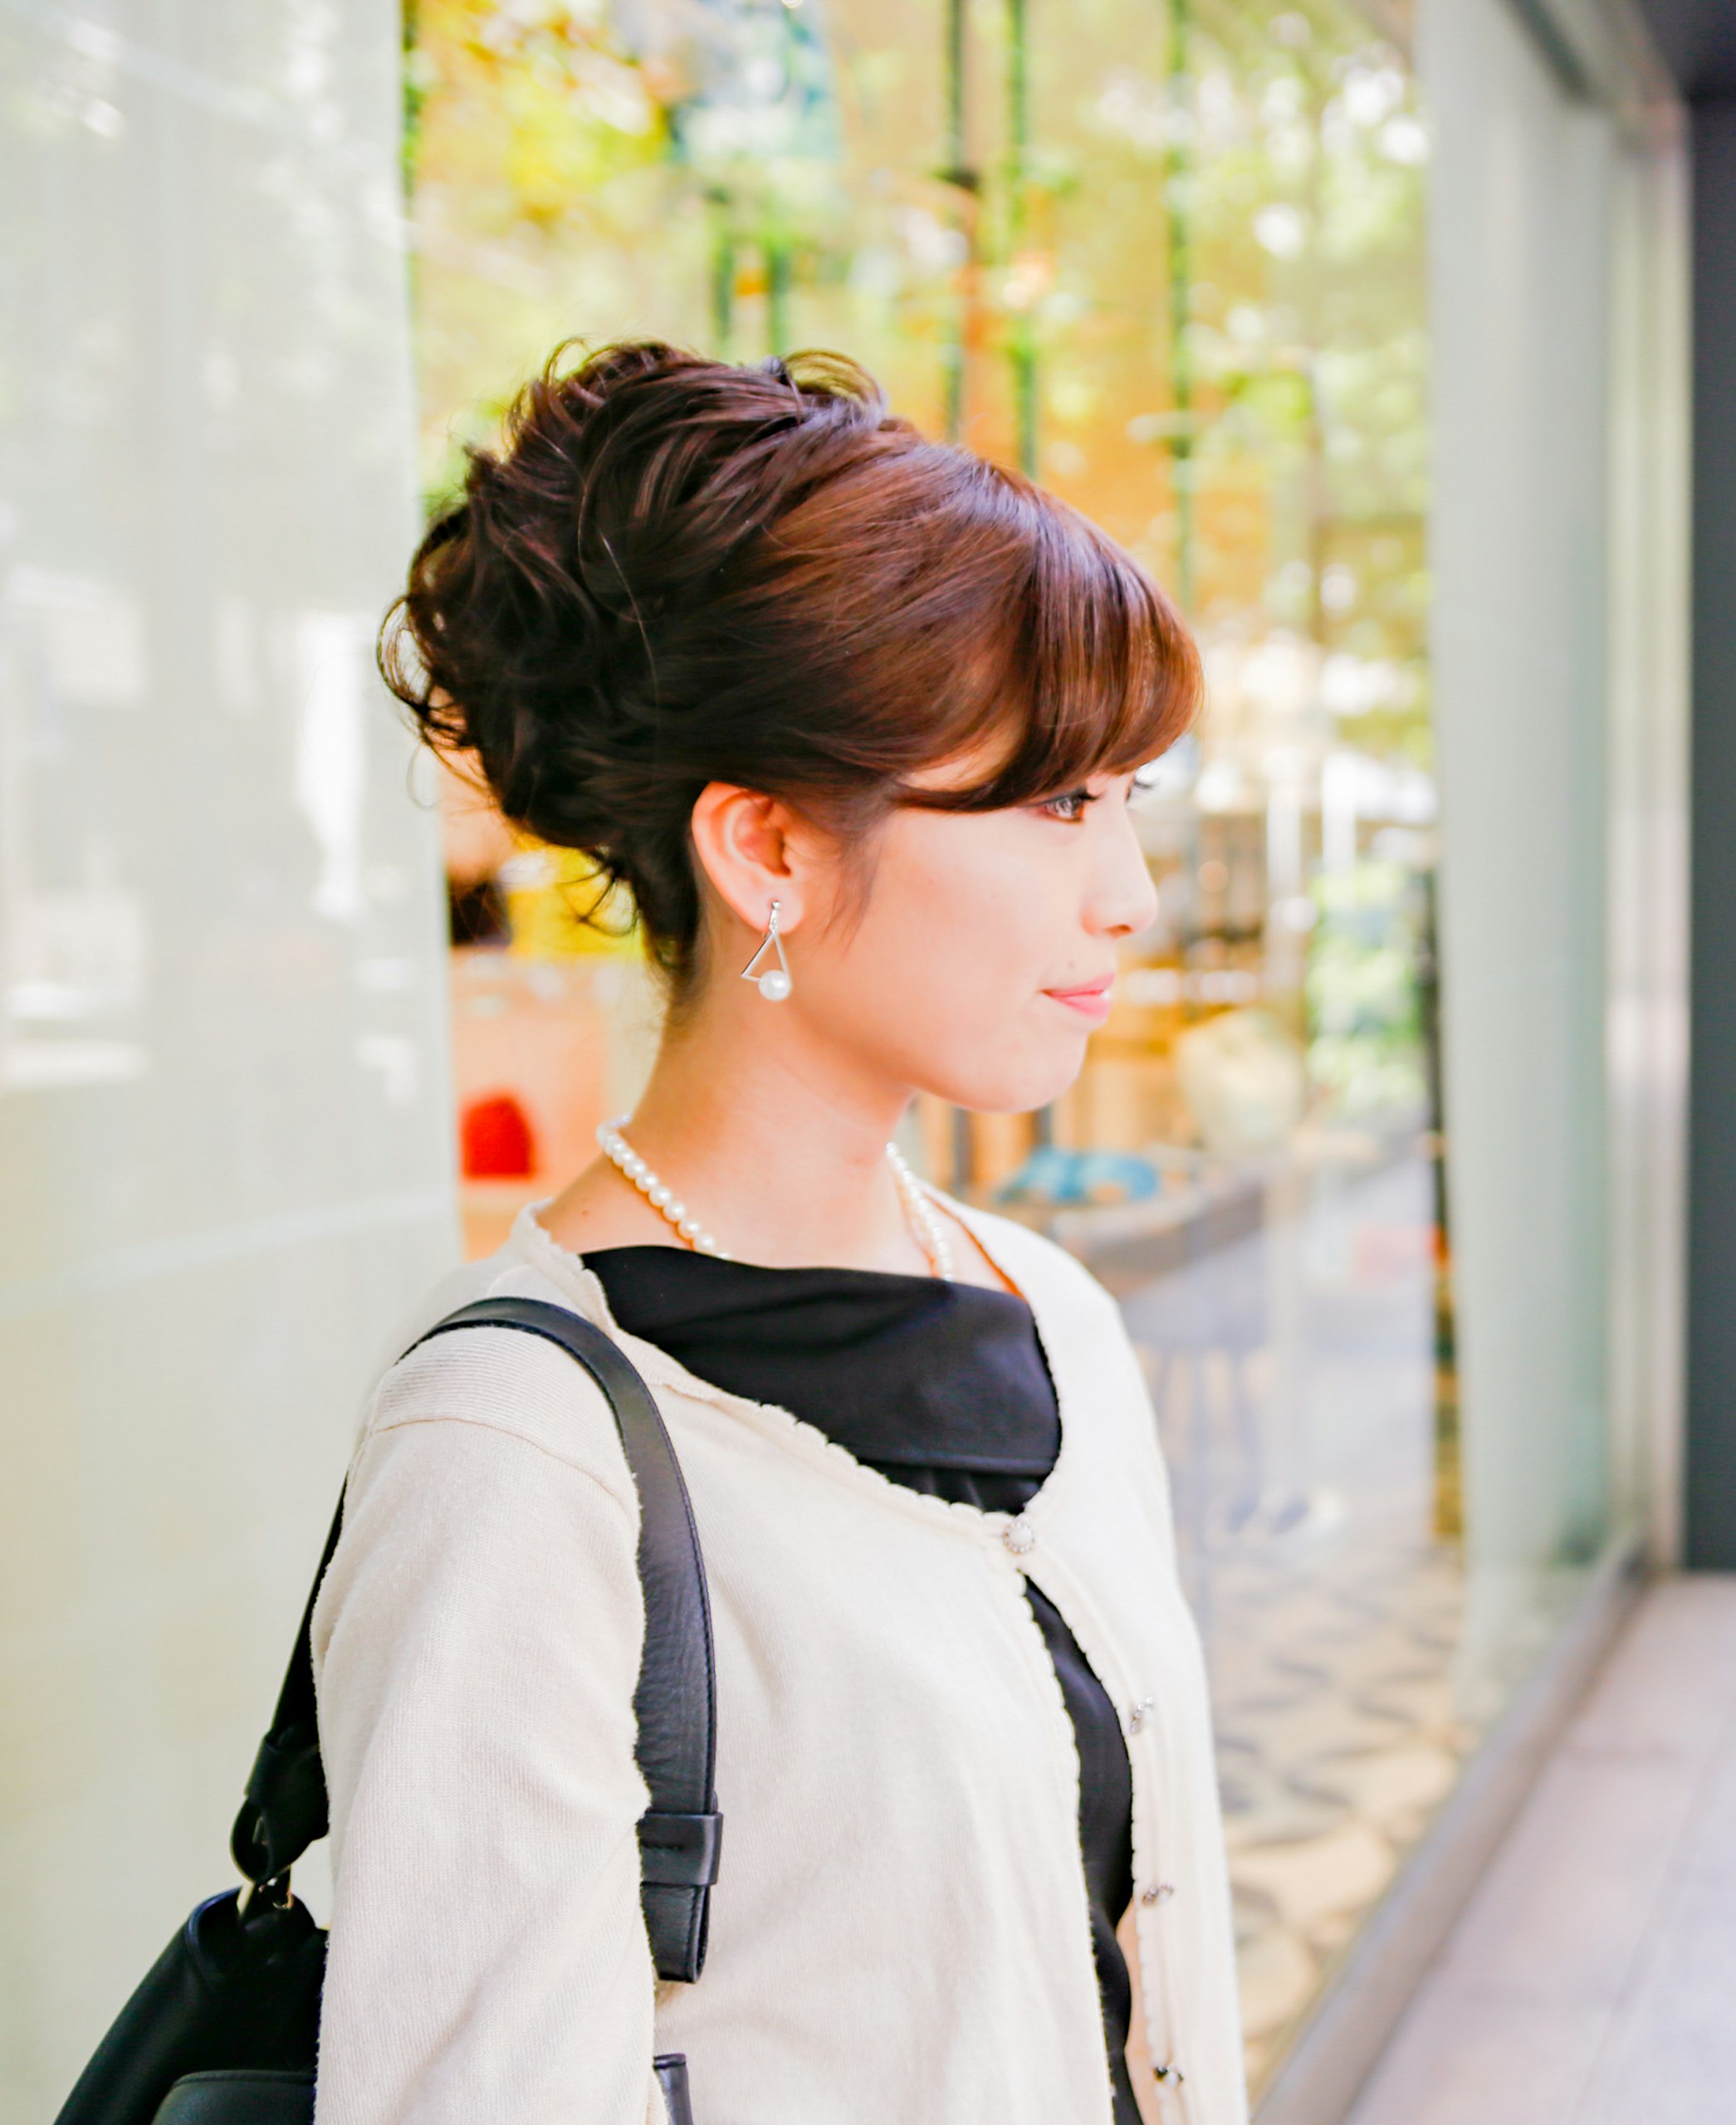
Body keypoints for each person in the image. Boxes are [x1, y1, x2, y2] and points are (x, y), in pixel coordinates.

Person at [330, 344, 1243, 2124]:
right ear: (765, 848)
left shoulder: (1044, 1311)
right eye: (1055, 801)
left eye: (1131, 797)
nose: (1126, 890)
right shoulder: (522, 1452)